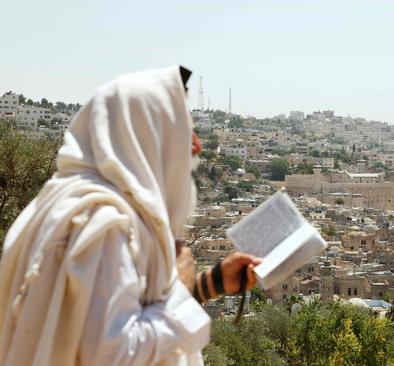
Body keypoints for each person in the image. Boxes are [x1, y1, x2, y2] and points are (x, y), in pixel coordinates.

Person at [0, 66, 261, 365]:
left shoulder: (56, 205)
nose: (197, 146)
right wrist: (178, 289)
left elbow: (90, 324)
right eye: (183, 130)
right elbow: (113, 355)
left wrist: (208, 285)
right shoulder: (105, 222)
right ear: (145, 136)